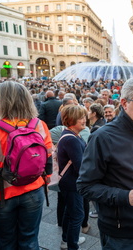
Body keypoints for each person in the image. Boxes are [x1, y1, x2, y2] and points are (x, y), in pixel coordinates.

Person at [77, 78, 133, 250]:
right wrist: (125, 197)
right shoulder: (103, 137)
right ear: (124, 103)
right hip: (120, 234)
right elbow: (85, 186)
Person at [0, 81, 52, 249]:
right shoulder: (39, 125)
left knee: (5, 243)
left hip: (0, 194)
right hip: (33, 188)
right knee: (30, 240)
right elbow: (48, 159)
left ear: (1, 101)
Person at [58, 105, 87, 250]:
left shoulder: (73, 135)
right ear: (71, 120)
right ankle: (72, 245)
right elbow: (80, 166)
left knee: (70, 212)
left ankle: (66, 240)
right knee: (77, 215)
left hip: (69, 182)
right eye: (81, 117)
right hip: (72, 183)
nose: (84, 119)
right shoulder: (72, 139)